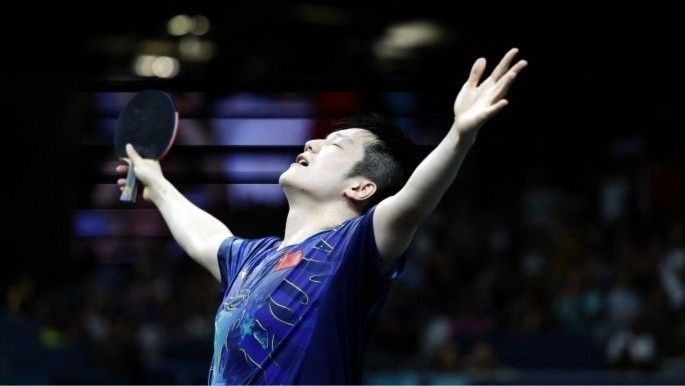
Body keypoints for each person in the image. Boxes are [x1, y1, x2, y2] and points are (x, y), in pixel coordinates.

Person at [116, 48, 527, 384]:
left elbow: (413, 203)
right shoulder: (253, 261)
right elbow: (206, 238)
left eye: (336, 144)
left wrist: (459, 135)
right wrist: (157, 183)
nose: (312, 142)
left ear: (361, 188)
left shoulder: (351, 250)